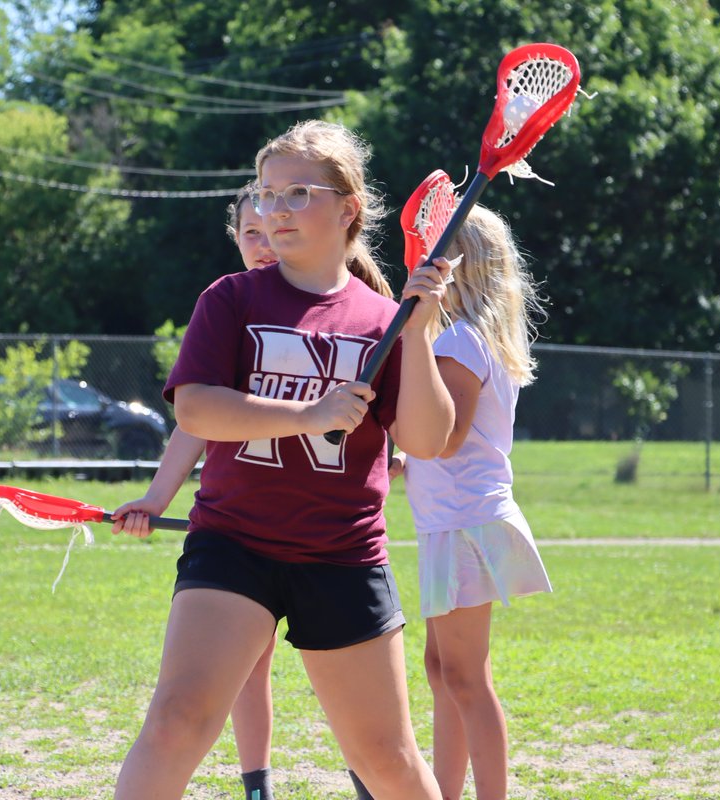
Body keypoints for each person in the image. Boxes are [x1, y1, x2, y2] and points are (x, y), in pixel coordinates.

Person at [112, 119, 454, 800]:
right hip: (233, 543)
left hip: (343, 555)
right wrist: (310, 415)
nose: (276, 211)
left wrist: (418, 333)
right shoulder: (231, 299)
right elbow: (197, 411)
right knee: (177, 721)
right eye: (269, 195)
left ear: (348, 208)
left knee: (386, 759)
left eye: (299, 193)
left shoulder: (382, 317)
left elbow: (426, 439)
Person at [112, 184, 285, 800]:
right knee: (246, 672)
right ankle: (258, 787)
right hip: (237, 531)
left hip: (327, 538)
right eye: (250, 234)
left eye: (273, 229)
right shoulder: (229, 305)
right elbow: (195, 417)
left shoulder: (341, 296)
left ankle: (368, 780)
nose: (264, 245)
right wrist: (155, 499)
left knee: (359, 708)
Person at [400, 204, 553, 800]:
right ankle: (444, 791)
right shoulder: (469, 337)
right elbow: (448, 441)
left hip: (465, 523)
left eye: (434, 252)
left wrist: (394, 429)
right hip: (454, 521)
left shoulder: (460, 340)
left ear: (457, 266)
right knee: (445, 672)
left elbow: (446, 437)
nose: (421, 262)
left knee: (464, 677)